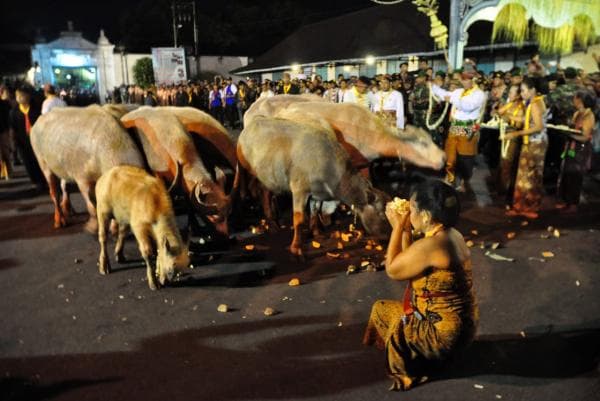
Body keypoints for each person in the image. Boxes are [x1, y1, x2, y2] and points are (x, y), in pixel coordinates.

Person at [363, 177, 477, 391]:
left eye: (412, 208)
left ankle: (417, 365)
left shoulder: (432, 245)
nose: (409, 211)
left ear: (425, 216)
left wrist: (396, 227)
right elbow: (412, 264)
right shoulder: (451, 234)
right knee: (401, 311)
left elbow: (393, 269)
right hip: (464, 329)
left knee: (382, 311)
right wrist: (406, 230)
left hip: (443, 336)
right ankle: (430, 357)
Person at [431, 70, 486, 191]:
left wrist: (451, 99)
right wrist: (433, 86)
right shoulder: (458, 91)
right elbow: (445, 94)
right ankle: (450, 179)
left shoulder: (479, 94)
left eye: (467, 79)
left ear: (473, 80)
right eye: (463, 79)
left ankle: (462, 182)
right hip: (454, 127)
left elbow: (467, 106)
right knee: (450, 156)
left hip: (468, 128)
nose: (465, 82)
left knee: (465, 158)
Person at [504, 77, 548, 219]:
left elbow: (538, 126)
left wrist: (516, 133)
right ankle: (520, 206)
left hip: (536, 144)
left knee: (531, 177)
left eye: (523, 91)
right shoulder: (532, 103)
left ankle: (530, 206)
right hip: (531, 143)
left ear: (532, 90)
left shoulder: (536, 104)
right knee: (523, 176)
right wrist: (509, 116)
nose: (521, 94)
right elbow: (526, 120)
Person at [556, 90, 596, 212]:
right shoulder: (578, 113)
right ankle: (567, 201)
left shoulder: (589, 116)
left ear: (580, 101)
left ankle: (573, 203)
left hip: (580, 149)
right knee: (567, 173)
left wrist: (569, 134)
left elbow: (584, 137)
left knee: (575, 175)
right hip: (572, 146)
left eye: (574, 98)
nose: (573, 101)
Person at [9, 85, 45, 188]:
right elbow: (13, 128)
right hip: (23, 141)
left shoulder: (36, 108)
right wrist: (14, 142)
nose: (20, 98)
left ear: (28, 96)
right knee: (28, 162)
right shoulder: (14, 112)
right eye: (18, 96)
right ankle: (35, 181)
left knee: (39, 160)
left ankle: (43, 180)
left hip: (37, 139)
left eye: (22, 95)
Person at [495, 84, 525, 202]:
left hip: (513, 136)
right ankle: (501, 188)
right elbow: (499, 112)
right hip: (505, 134)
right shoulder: (510, 104)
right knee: (502, 162)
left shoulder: (521, 106)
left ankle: (507, 191)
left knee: (508, 162)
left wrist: (508, 117)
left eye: (512, 93)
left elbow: (519, 123)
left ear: (518, 95)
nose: (510, 95)